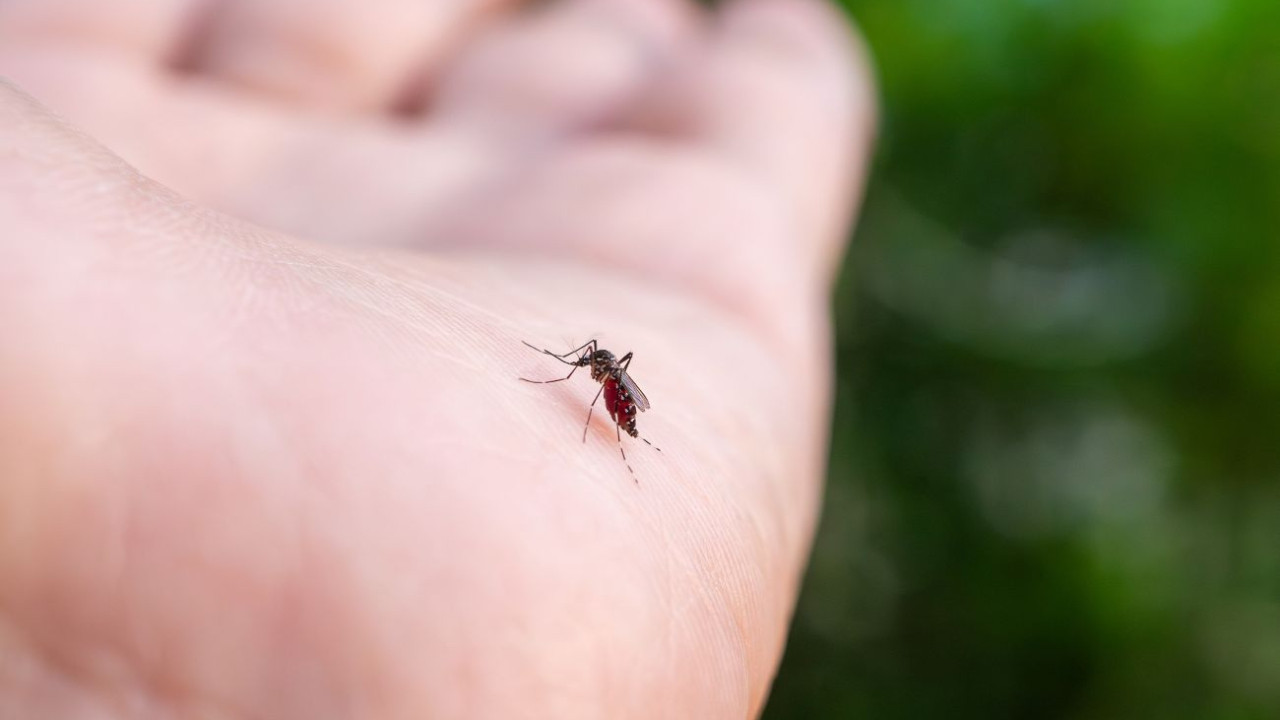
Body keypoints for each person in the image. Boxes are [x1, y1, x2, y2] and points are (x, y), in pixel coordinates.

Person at [0, 0, 873, 715]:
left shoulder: (607, 375)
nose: (595, 369)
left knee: (605, 410)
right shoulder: (605, 365)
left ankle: (631, 452)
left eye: (597, 365)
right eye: (600, 366)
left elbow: (603, 373)